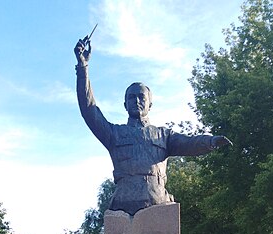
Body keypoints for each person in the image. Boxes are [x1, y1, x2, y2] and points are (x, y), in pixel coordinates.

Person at [74, 37, 232, 216]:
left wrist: (210, 141)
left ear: (150, 104)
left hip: (157, 203)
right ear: (125, 105)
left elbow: (190, 143)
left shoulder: (163, 136)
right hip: (123, 204)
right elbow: (89, 109)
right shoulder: (114, 134)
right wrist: (83, 69)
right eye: (131, 98)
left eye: (141, 97)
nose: (136, 101)